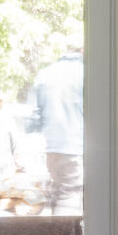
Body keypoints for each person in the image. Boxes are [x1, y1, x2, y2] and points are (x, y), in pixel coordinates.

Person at [13, 50, 83, 215]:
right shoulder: (86, 73)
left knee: (59, 192)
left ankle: (58, 228)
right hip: (76, 146)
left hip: (51, 147)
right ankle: (65, 232)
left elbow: (34, 116)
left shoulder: (44, 74)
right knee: (69, 195)